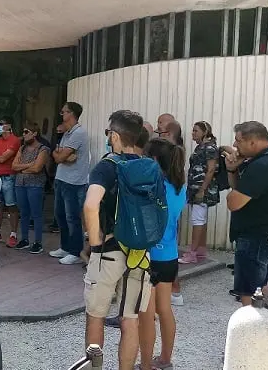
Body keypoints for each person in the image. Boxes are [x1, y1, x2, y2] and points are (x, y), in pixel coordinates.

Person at [83, 110, 152, 370]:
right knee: (130, 318)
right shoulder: (149, 167)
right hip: (139, 253)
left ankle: (95, 367)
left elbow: (91, 205)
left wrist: (95, 244)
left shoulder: (107, 166)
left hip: (109, 249)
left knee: (96, 316)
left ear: (115, 135)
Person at [224, 121, 268, 306]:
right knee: (260, 286)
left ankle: (253, 332)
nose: (235, 145)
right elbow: (242, 190)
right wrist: (232, 169)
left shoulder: (262, 166)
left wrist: (231, 196)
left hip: (256, 237)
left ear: (253, 142)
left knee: (248, 294)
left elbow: (234, 202)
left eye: (238, 140)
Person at [138, 138, 187, 370]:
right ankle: (165, 360)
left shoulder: (152, 188)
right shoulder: (180, 186)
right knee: (165, 309)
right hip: (169, 255)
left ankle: (146, 364)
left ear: (154, 160)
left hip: (149, 255)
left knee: (146, 313)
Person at [50, 102, 90, 265]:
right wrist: (63, 156)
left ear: (72, 114)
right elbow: (57, 153)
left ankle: (75, 250)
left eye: (64, 111)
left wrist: (61, 156)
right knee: (60, 215)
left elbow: (59, 157)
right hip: (62, 178)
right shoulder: (67, 133)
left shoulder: (79, 133)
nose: (61, 114)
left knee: (72, 217)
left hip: (74, 182)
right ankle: (65, 247)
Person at [179, 121, 219, 264]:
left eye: (196, 131)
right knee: (201, 220)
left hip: (203, 190)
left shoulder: (209, 148)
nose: (193, 133)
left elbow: (211, 169)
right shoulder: (202, 147)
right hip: (196, 189)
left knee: (198, 220)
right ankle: (201, 250)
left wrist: (202, 190)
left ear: (204, 132)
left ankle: (192, 253)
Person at [11, 123, 50, 253]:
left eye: (26, 132)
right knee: (24, 213)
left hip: (35, 185)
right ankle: (25, 239)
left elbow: (37, 168)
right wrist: (29, 165)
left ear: (35, 133)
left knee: (36, 214)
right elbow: (14, 166)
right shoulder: (22, 148)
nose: (24, 134)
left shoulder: (43, 149)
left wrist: (22, 168)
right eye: (23, 132)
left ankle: (38, 242)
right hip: (20, 184)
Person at [0, 116, 21, 247]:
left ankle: (13, 234)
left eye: (1, 124)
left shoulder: (15, 140)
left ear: (9, 126)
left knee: (11, 205)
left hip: (9, 176)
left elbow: (2, 159)